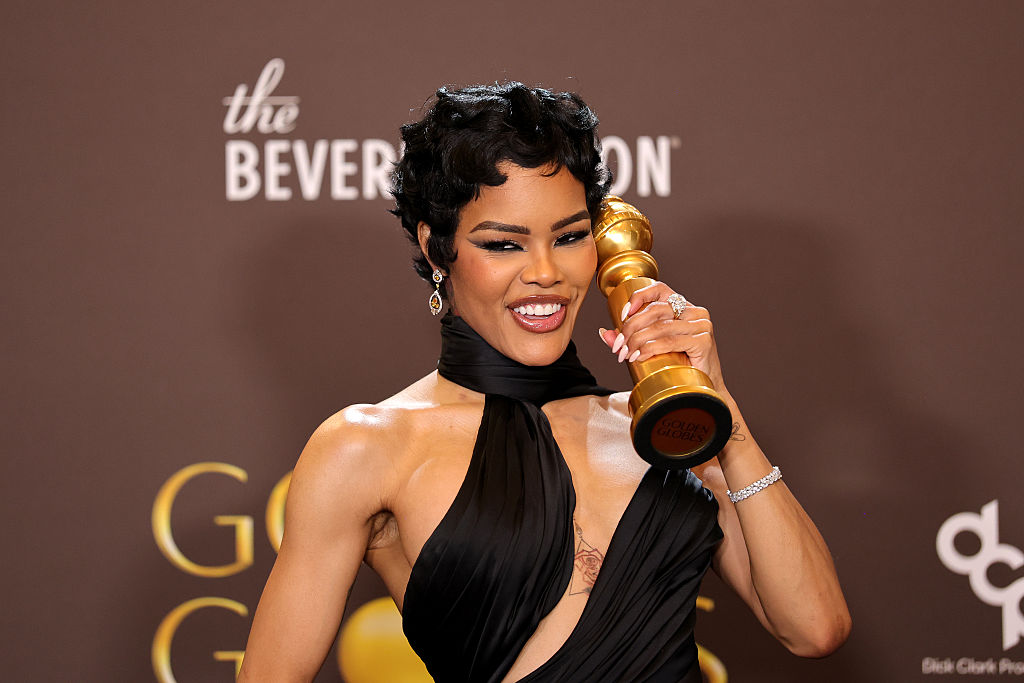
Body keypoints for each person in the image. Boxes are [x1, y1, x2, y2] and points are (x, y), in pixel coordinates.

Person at [238, 82, 851, 683]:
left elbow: (814, 628)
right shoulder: (369, 446)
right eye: (504, 244)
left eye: (570, 237)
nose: (545, 274)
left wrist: (725, 421)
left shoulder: (664, 428)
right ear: (436, 248)